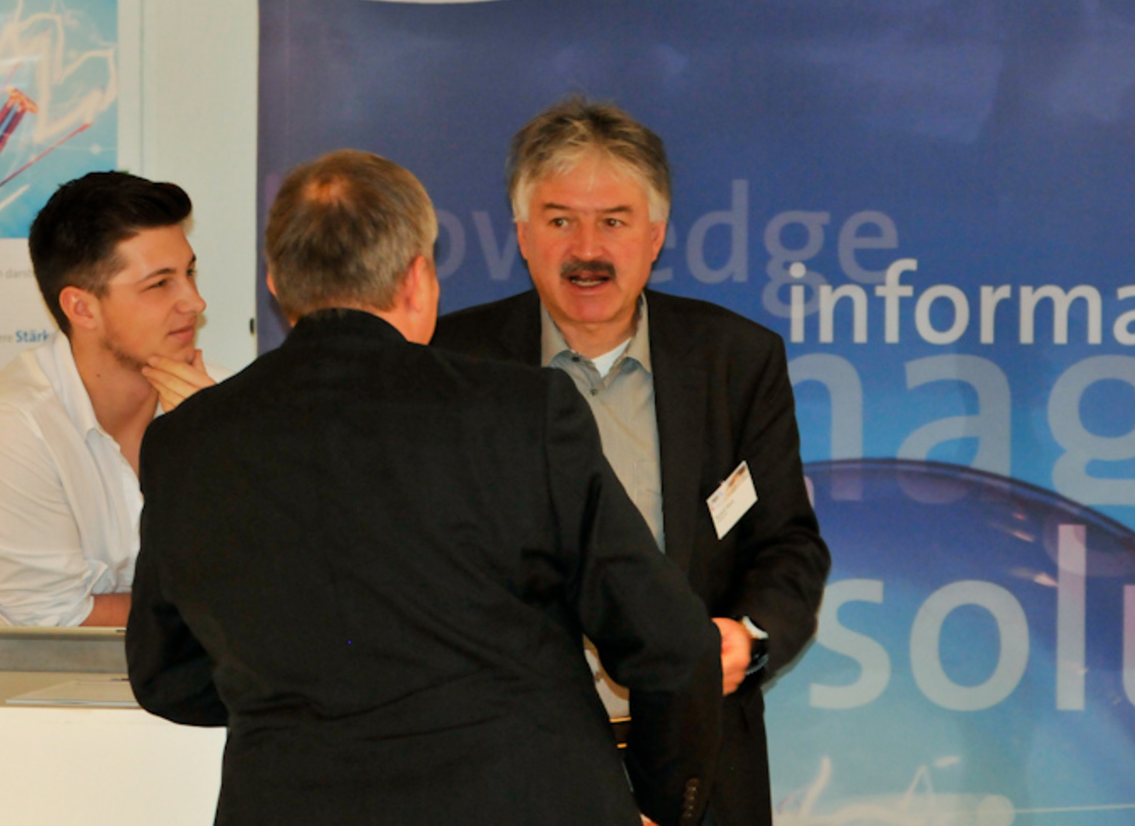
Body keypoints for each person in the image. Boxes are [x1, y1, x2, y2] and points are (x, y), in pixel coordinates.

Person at [127, 150, 721, 826]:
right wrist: (661, 804)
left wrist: (307, 698)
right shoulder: (524, 413)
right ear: (417, 278)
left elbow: (166, 675)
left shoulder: (186, 440)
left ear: (276, 281)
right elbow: (674, 648)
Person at [431, 98, 831, 826]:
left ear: (655, 236)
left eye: (613, 221)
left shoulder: (735, 361)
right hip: (503, 773)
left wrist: (747, 635)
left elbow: (788, 545)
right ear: (521, 235)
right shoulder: (447, 364)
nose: (586, 249)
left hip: (699, 771)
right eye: (560, 221)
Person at [0, 171, 218, 652]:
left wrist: (222, 445)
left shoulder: (221, 400)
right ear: (82, 309)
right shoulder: (12, 425)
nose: (194, 302)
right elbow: (52, 620)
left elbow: (285, 571)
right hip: (38, 695)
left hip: (192, 693)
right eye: (159, 284)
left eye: (189, 273)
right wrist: (216, 607)